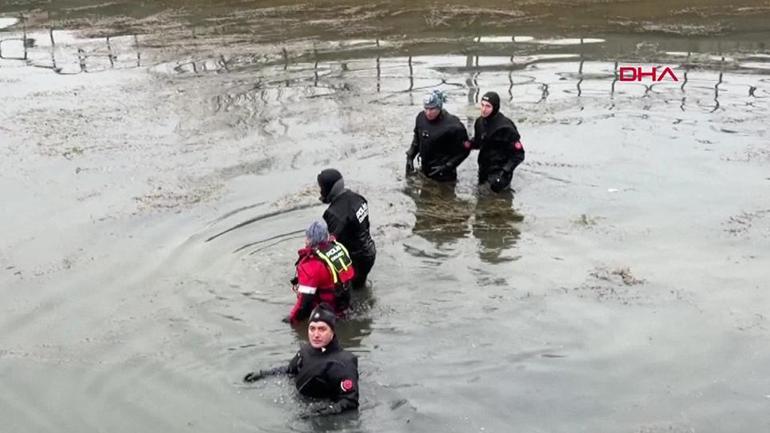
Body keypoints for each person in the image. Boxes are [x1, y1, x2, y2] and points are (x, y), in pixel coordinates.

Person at [244, 303, 359, 416]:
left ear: (332, 332)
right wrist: (263, 374)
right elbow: (290, 371)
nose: (316, 334)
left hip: (321, 417)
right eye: (312, 328)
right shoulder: (306, 350)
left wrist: (322, 412)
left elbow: (350, 402)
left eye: (322, 329)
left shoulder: (344, 363)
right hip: (300, 406)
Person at [286, 220, 355, 324]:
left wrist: (290, 319)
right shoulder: (338, 247)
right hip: (344, 306)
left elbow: (304, 302)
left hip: (326, 313)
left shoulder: (312, 265)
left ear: (309, 240)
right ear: (327, 235)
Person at [317, 169, 376, 289]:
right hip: (369, 252)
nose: (320, 192)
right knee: (359, 287)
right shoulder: (358, 198)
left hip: (354, 261)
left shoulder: (334, 213)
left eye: (321, 188)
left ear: (328, 189)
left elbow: (330, 246)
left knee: (344, 294)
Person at [465, 91, 525, 193]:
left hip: (500, 173)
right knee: (480, 199)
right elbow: (479, 142)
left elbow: (519, 155)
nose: (484, 109)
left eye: (488, 106)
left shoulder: (506, 127)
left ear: (495, 107)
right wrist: (467, 144)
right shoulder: (479, 122)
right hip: (484, 170)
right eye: (482, 105)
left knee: (487, 198)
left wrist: (505, 171)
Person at [405, 89, 470, 182]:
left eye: (432, 109)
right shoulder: (420, 118)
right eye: (426, 108)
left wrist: (448, 166)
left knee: (444, 195)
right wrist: (410, 156)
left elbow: (465, 150)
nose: (428, 112)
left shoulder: (454, 125)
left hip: (444, 175)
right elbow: (417, 138)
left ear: (439, 107)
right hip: (425, 169)